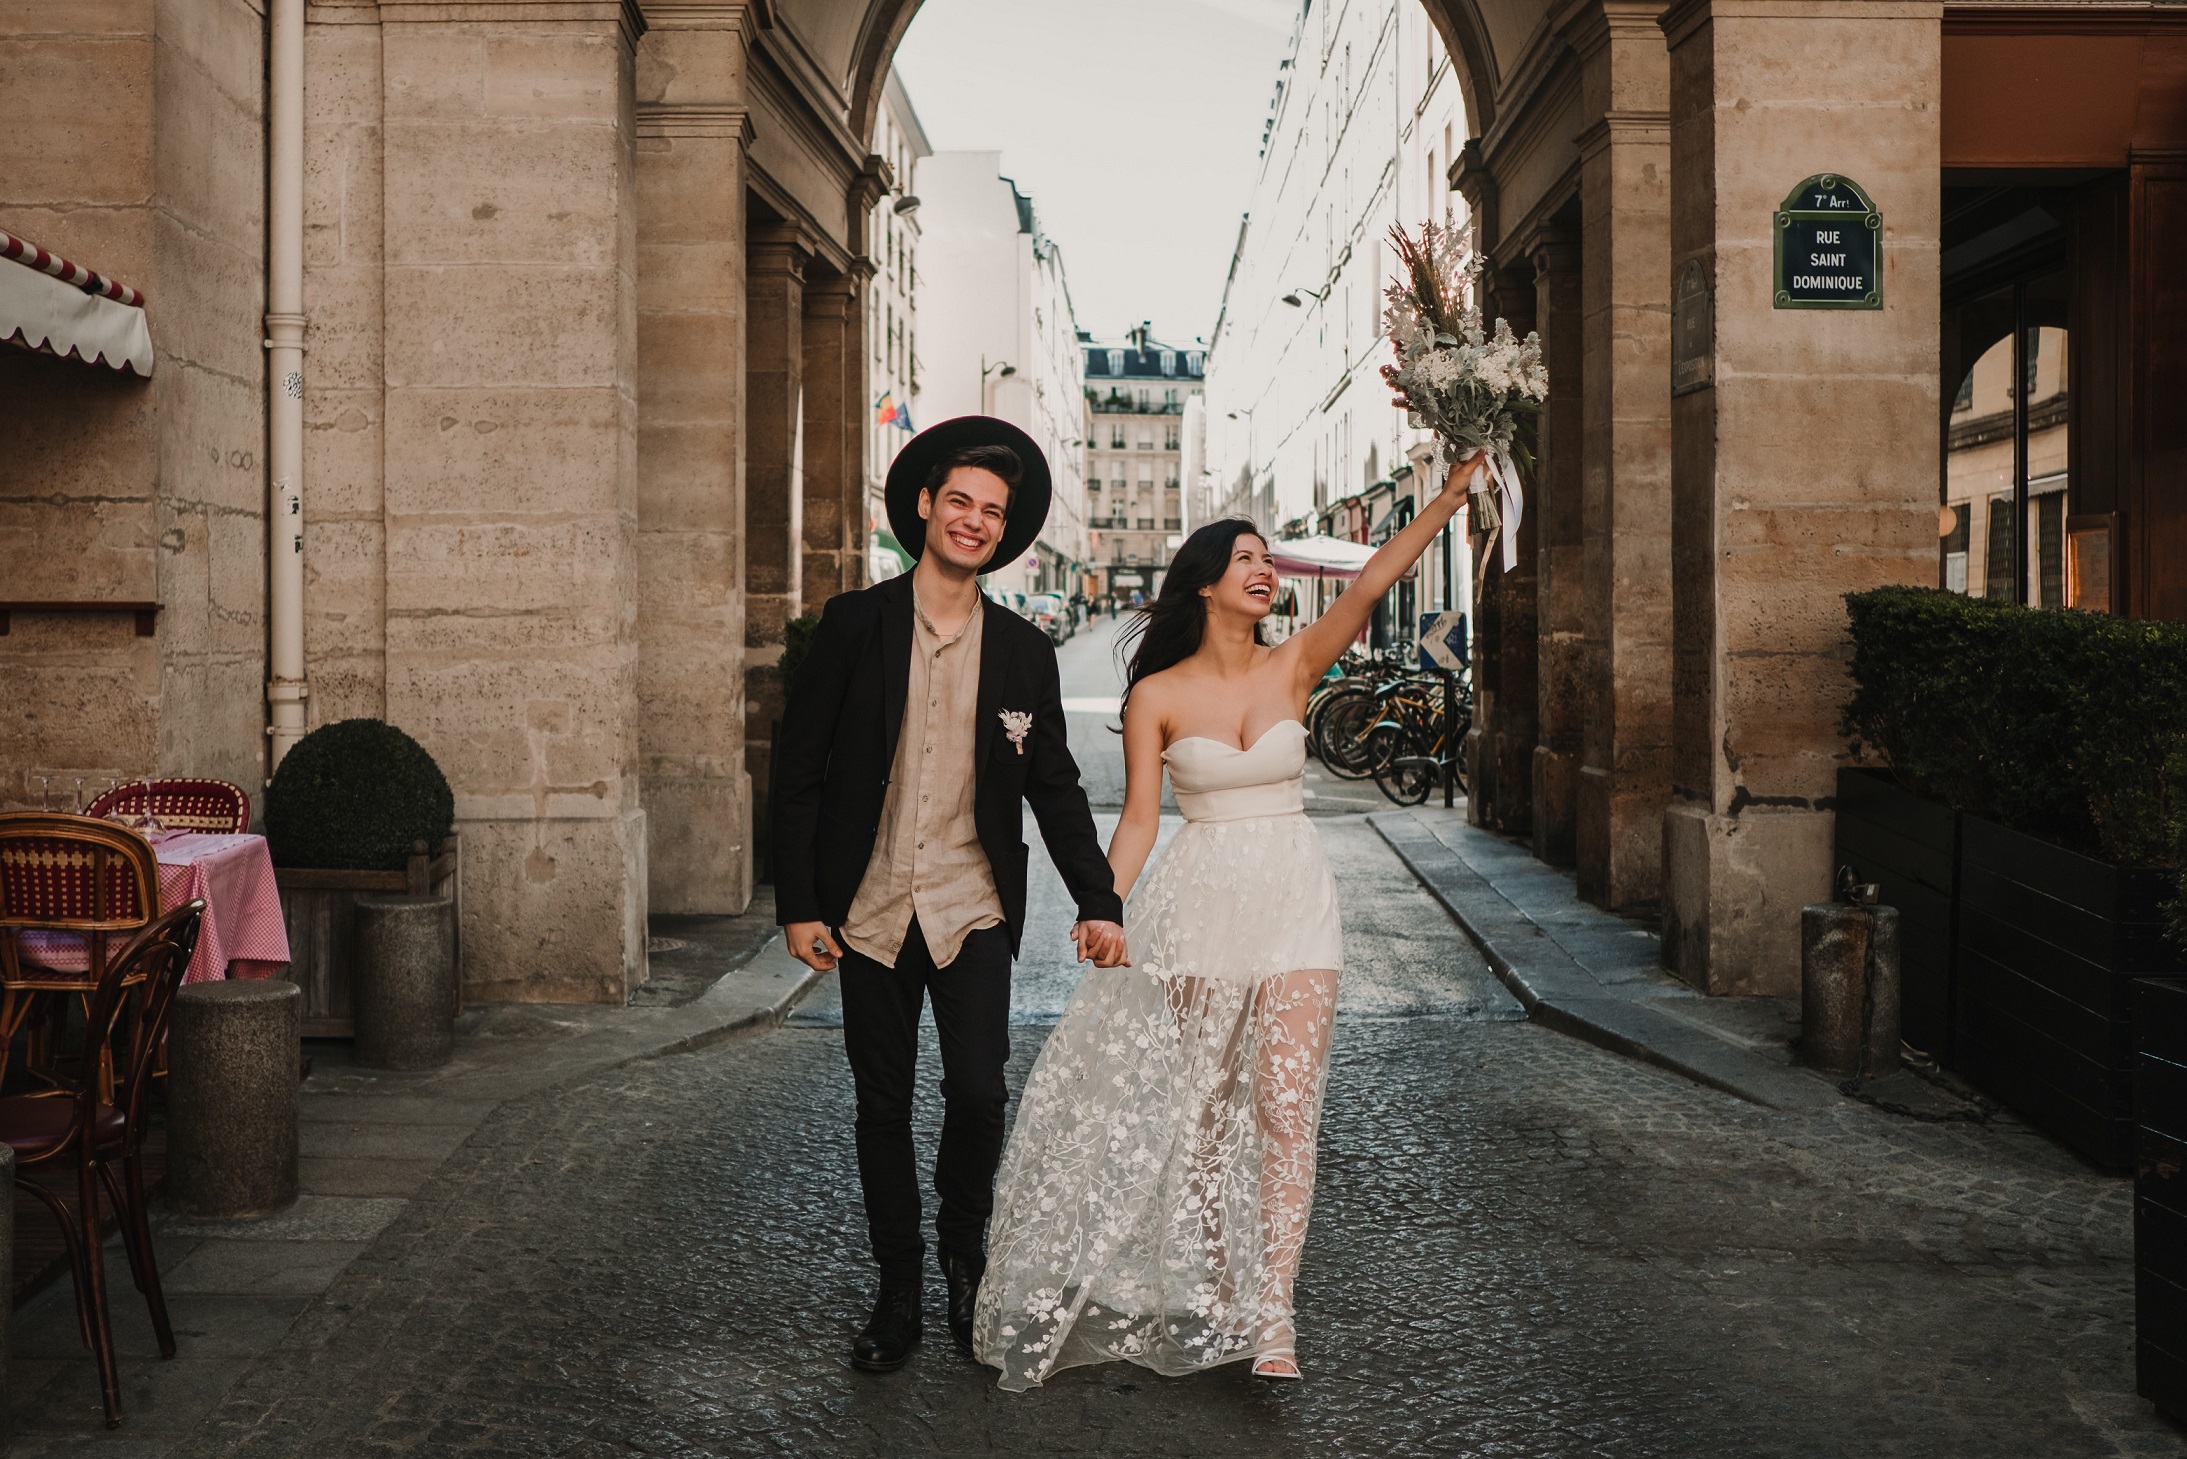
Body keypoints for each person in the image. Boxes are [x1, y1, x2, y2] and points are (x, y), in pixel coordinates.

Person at [973, 450, 1484, 1389]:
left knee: (1287, 1106)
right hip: (1199, 903)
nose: (1266, 571)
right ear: (1206, 583)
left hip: (1294, 896)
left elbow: (1372, 581)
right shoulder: (1155, 697)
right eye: (1247, 557)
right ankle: (1214, 1279)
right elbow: (1134, 819)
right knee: (1207, 1113)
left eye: (1269, 560)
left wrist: (1447, 497)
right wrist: (1102, 906)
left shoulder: (1296, 663)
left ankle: (1273, 1309)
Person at [772, 416, 1130, 1375]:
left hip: (972, 907)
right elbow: (798, 769)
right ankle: (898, 1288)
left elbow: (1054, 784)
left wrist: (1098, 899)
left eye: (992, 512)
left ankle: (963, 1253)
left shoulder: (1022, 649)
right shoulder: (855, 627)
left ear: (1004, 532)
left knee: (977, 1090)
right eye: (960, 501)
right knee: (879, 1106)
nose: (973, 521)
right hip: (870, 911)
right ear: (925, 506)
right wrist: (800, 904)